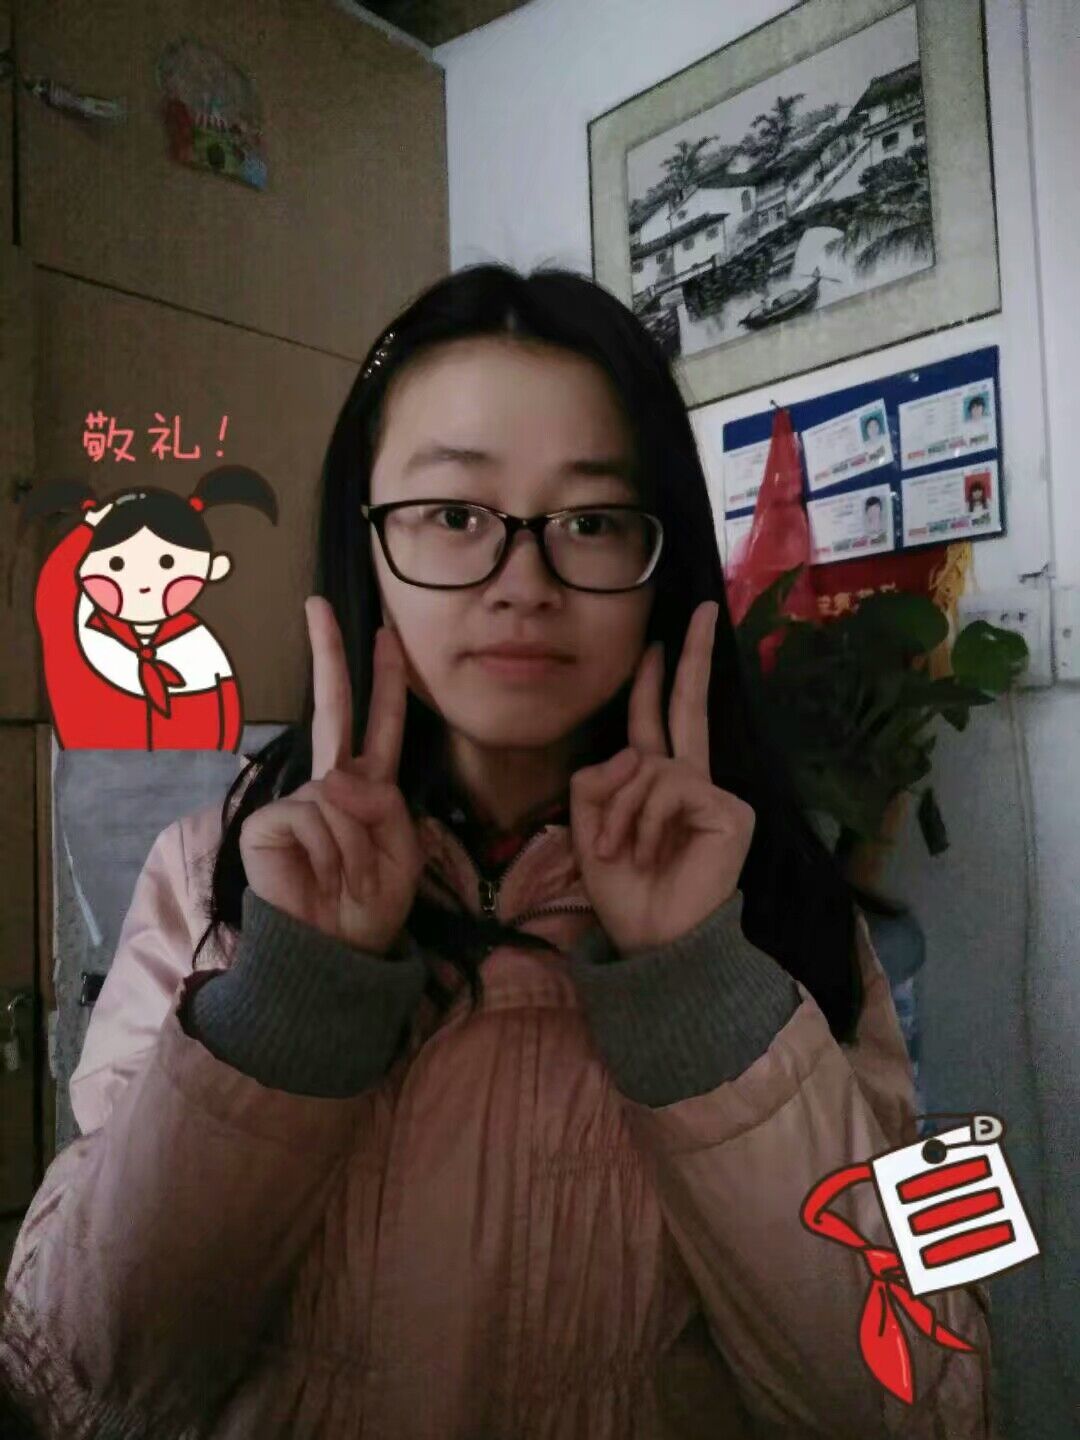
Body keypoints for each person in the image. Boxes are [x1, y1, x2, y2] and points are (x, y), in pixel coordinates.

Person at [1, 264, 997, 1440]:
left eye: (592, 521)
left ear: (663, 561)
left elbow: (943, 1394)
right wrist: (289, 997)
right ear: (364, 543)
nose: (524, 585)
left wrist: (702, 987)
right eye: (453, 515)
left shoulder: (794, 896)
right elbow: (67, 1379)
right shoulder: (207, 874)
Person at [25, 467, 277, 749]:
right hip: (98, 769)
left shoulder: (196, 644)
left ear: (212, 569)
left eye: (167, 563)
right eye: (117, 565)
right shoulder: (83, 633)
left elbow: (225, 714)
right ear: (84, 572)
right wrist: (88, 528)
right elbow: (54, 593)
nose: (142, 582)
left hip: (192, 770)